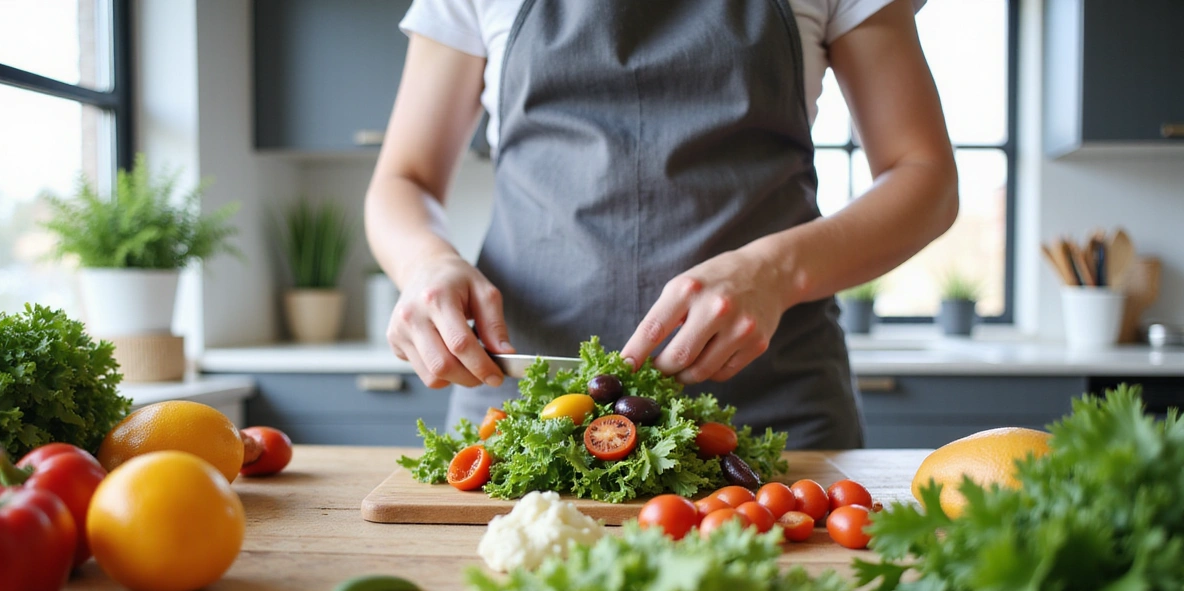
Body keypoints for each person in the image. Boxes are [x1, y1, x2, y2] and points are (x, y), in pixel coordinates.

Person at [365, 0, 958, 448]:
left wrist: (775, 271)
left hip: (771, 412)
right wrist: (426, 265)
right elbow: (404, 180)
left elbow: (924, 177)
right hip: (525, 410)